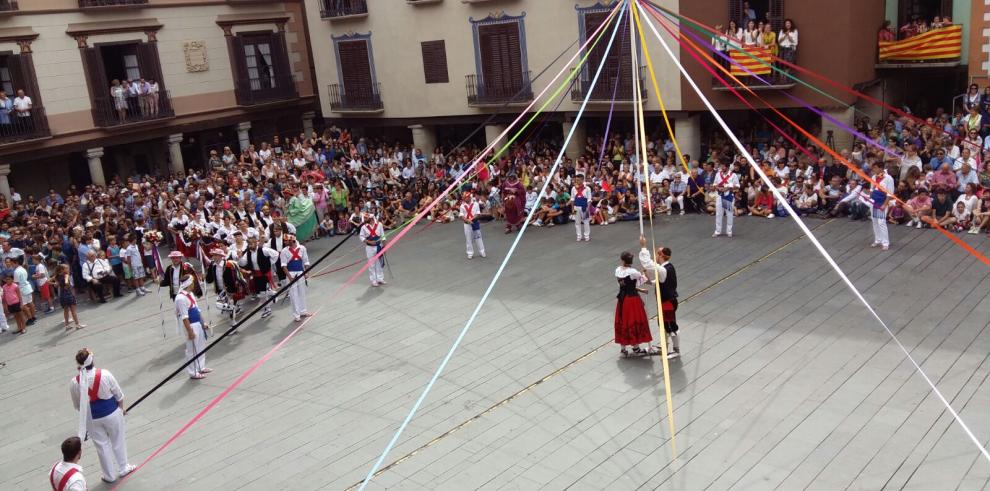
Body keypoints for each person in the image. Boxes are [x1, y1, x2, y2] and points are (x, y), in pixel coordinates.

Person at [69, 348, 134, 483]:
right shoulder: (105, 374)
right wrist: (121, 410)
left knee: (101, 446)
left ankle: (109, 475)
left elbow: (77, 405)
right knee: (118, 440)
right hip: (112, 413)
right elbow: (119, 395)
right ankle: (123, 467)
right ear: (92, 361)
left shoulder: (75, 382)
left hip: (92, 419)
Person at [639, 236, 681, 359]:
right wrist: (647, 280)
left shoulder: (663, 269)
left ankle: (676, 350)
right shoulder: (668, 268)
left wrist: (643, 246)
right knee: (665, 325)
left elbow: (648, 263)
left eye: (657, 255)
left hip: (667, 302)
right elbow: (659, 282)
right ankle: (666, 346)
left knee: (671, 326)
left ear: (661, 256)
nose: (655, 257)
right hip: (667, 301)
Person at [613, 251, 656, 357]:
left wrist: (640, 290)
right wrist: (645, 273)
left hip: (622, 299)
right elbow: (645, 280)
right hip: (631, 300)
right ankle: (636, 348)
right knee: (633, 321)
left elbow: (625, 286)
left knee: (623, 321)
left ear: (622, 260)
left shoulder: (618, 270)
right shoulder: (633, 272)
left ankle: (623, 349)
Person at [174, 273, 211, 379]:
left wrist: (203, 323)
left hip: (197, 323)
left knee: (200, 346)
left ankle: (201, 366)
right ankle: (192, 372)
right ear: (189, 284)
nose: (194, 284)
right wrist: (190, 332)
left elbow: (197, 310)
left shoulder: (190, 294)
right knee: (191, 350)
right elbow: (184, 317)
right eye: (193, 282)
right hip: (190, 325)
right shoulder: (181, 298)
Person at [240, 236, 279, 319]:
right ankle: (273, 294)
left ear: (256, 242)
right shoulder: (248, 253)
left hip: (265, 274)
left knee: (263, 293)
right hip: (256, 275)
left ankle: (267, 308)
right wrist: (239, 257)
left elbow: (276, 254)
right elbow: (243, 263)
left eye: (252, 243)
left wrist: (269, 263)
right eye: (249, 244)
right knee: (260, 295)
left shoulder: (263, 250)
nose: (250, 245)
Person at [280, 233, 312, 322]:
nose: (285, 242)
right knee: (293, 295)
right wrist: (290, 277)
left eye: (287, 240)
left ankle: (303, 311)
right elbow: (283, 266)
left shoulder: (302, 248)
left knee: (302, 292)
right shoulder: (284, 251)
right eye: (285, 241)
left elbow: (306, 261)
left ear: (292, 240)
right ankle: (296, 314)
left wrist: (306, 273)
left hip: (300, 273)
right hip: (291, 273)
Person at [870, 162, 895, 250]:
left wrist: (885, 204)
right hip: (874, 201)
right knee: (874, 221)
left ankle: (885, 242)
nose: (874, 169)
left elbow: (890, 193)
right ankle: (878, 239)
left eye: (875, 168)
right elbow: (871, 189)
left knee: (881, 222)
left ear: (881, 168)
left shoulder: (888, 178)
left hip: (882, 201)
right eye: (873, 168)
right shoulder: (873, 177)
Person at [713, 160, 739, 237]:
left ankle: (729, 231)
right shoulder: (718, 174)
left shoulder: (733, 175)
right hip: (720, 195)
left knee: (729, 214)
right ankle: (718, 231)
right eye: (721, 166)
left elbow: (737, 186)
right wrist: (718, 188)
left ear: (727, 167)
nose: (722, 168)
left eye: (723, 166)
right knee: (718, 214)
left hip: (728, 196)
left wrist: (728, 188)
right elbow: (714, 184)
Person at [359, 213, 387, 287]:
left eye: (366, 218)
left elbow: (383, 235)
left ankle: (380, 278)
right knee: (371, 264)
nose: (364, 220)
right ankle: (373, 280)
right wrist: (369, 242)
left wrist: (384, 245)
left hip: (378, 246)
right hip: (369, 248)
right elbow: (361, 237)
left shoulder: (379, 224)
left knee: (379, 263)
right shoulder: (363, 227)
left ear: (371, 218)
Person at [56, 263, 84, 330]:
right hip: (68, 295)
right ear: (63, 270)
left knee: (66, 311)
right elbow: (66, 283)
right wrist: (68, 286)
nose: (68, 269)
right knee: (73, 310)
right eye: (67, 268)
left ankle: (67, 325)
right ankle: (77, 324)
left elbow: (50, 281)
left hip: (62, 295)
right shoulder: (66, 275)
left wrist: (58, 284)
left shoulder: (58, 276)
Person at [458, 191, 486, 259]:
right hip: (467, 224)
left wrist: (472, 219)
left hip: (475, 222)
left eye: (466, 197)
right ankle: (470, 253)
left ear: (469, 197)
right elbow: (461, 215)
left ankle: (482, 251)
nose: (465, 199)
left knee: (478, 237)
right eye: (464, 198)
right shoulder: (462, 206)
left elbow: (478, 213)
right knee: (468, 239)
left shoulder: (476, 204)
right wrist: (467, 220)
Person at [570, 173, 592, 241]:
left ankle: (586, 236)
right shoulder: (573, 188)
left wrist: (587, 209)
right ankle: (579, 236)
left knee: (586, 221)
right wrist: (572, 209)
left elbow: (589, 200)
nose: (577, 182)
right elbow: (572, 199)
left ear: (583, 180)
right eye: (576, 180)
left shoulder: (587, 188)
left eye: (579, 180)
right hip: (576, 207)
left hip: (584, 207)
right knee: (577, 222)